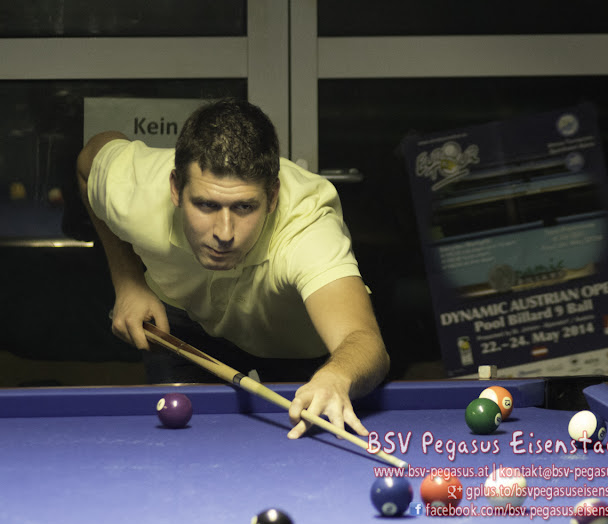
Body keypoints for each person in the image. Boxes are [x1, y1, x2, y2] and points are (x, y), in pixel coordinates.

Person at [76, 98, 389, 440]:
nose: (224, 233)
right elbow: (88, 161)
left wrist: (336, 376)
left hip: (295, 351)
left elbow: (364, 340)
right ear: (175, 188)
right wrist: (128, 281)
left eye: (244, 207)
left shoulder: (307, 227)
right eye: (206, 204)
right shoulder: (138, 190)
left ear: (272, 197)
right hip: (186, 325)